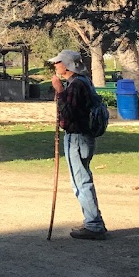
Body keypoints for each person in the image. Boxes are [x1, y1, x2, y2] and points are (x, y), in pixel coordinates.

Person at [50, 49, 108, 240]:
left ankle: (93, 225)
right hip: (83, 137)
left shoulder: (75, 86)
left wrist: (59, 91)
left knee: (80, 181)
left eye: (58, 62)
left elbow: (69, 114)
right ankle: (92, 221)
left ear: (66, 65)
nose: (55, 65)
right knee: (82, 179)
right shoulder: (82, 82)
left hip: (77, 138)